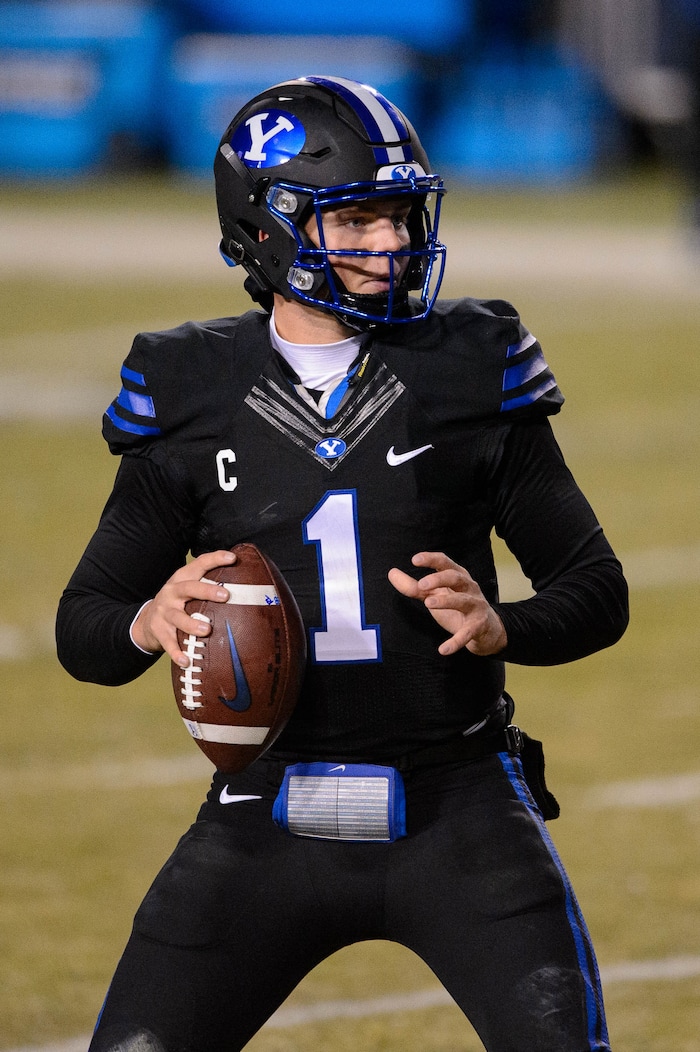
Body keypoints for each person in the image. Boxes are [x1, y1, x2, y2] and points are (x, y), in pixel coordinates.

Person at [56, 75, 629, 1052]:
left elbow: (595, 589)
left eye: (401, 217)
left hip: (458, 805)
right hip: (259, 817)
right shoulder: (189, 385)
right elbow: (85, 628)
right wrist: (146, 621)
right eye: (355, 218)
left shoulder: (469, 364)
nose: (391, 244)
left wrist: (506, 625)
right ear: (268, 226)